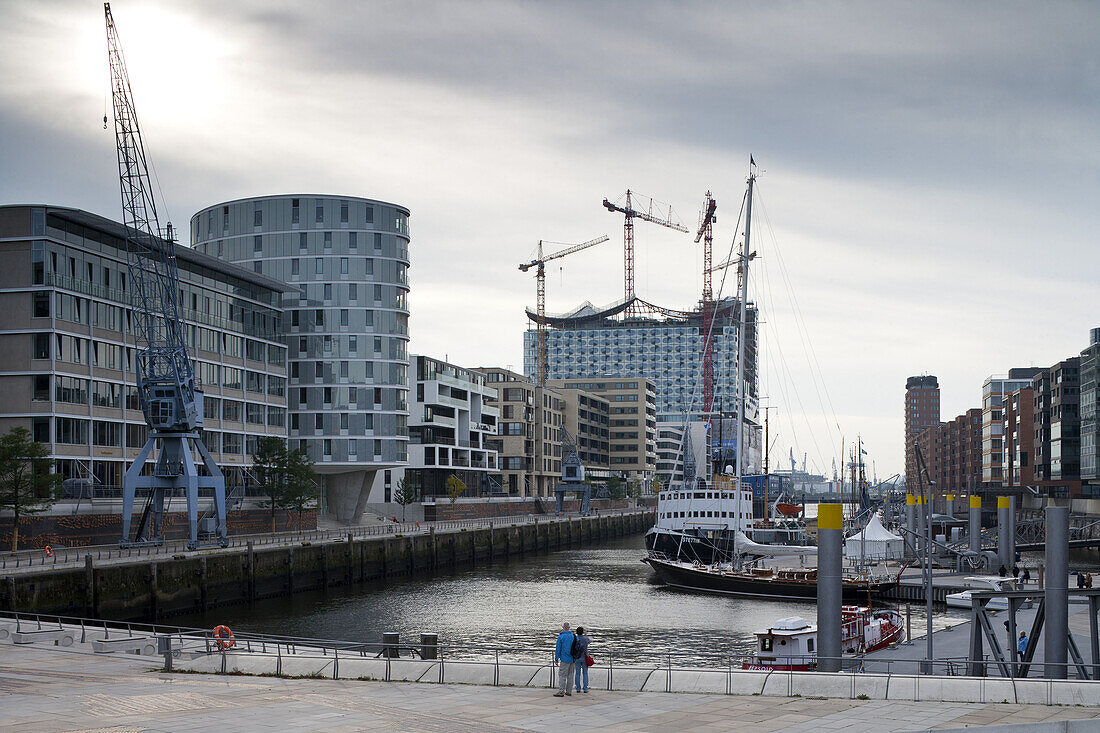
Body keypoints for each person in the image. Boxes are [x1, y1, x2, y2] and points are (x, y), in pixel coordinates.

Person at [554, 622, 575, 697]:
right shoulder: (573, 636)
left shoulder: (561, 637)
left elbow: (558, 649)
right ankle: (569, 691)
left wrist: (556, 659)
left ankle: (561, 691)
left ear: (563, 628)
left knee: (562, 675)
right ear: (569, 628)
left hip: (564, 658)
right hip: (573, 659)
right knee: (571, 675)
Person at [573, 626, 591, 693]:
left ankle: (578, 688)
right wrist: (586, 635)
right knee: (585, 673)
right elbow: (589, 641)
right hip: (585, 657)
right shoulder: (585, 638)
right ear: (582, 632)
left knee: (577, 673)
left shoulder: (576, 638)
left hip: (577, 657)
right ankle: (585, 688)